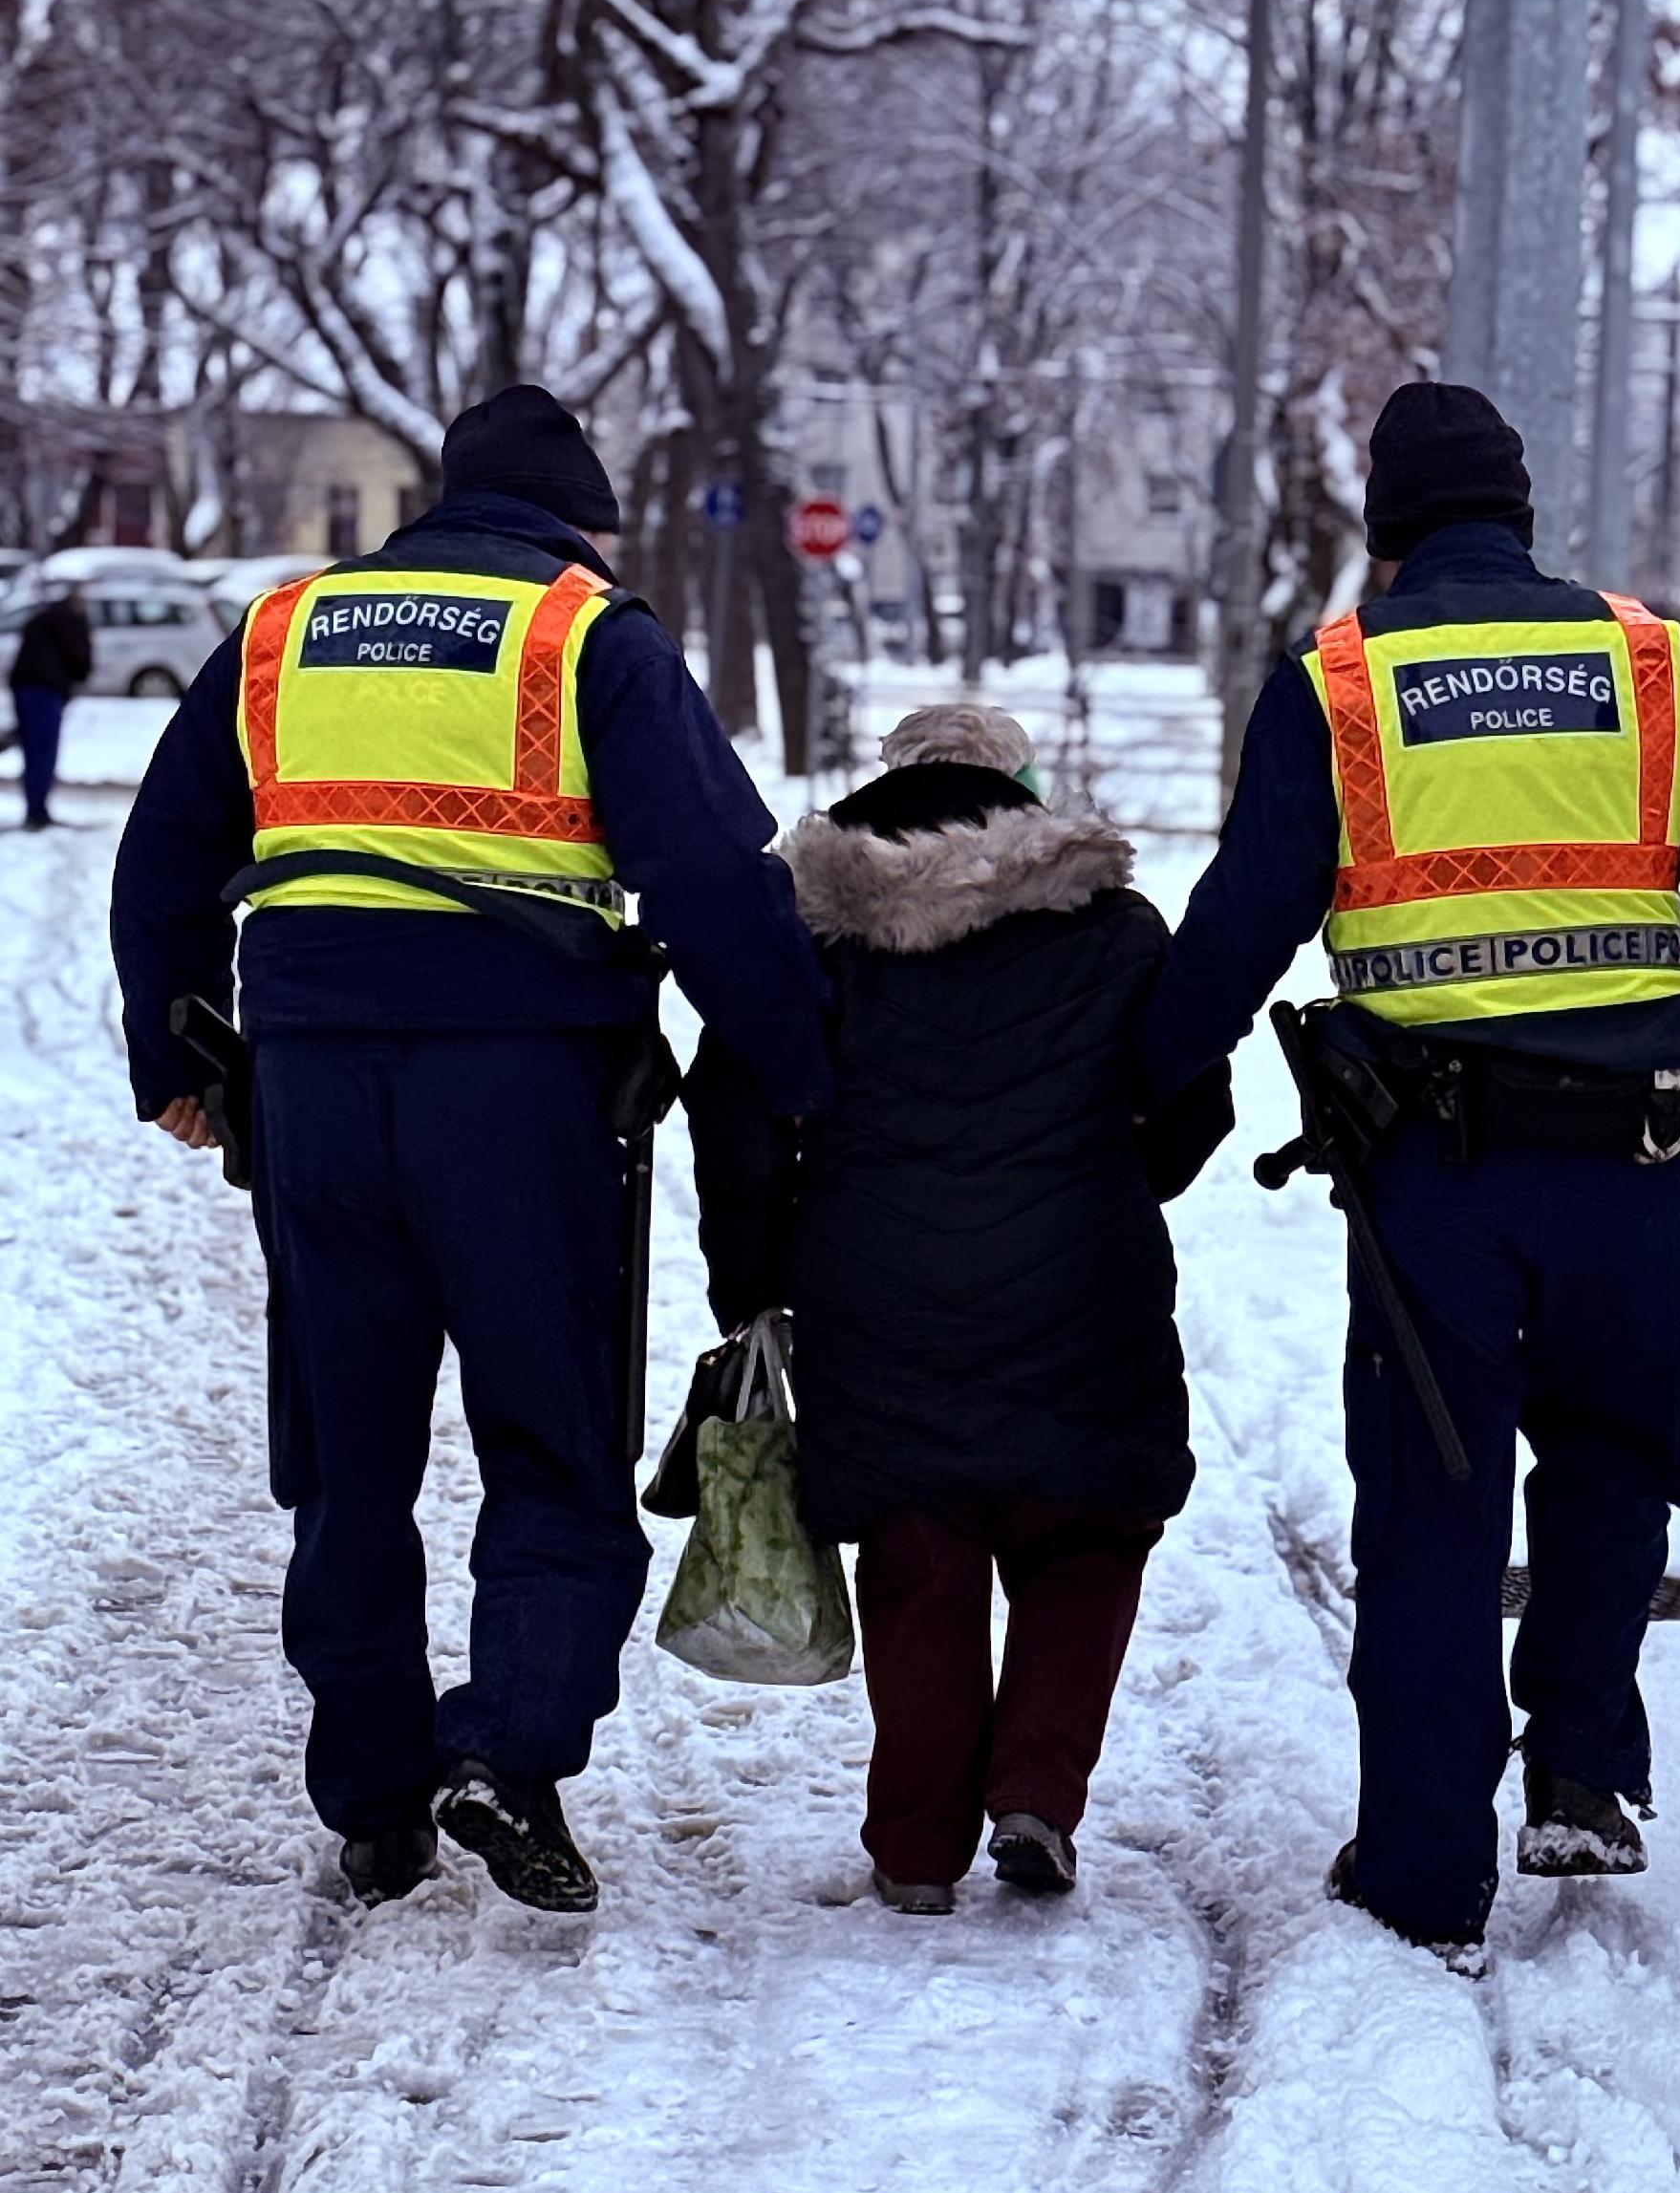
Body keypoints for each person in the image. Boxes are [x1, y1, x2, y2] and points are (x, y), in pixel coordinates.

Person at [1146, 381, 1680, 1964]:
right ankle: (1588, 1772)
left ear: (1385, 536)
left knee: (1431, 1506)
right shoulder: (1652, 669)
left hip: (1431, 1182)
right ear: (1524, 521)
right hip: (1628, 1170)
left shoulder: (1342, 683)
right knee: (1612, 1456)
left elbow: (1235, 933)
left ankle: (1421, 1865)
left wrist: (1113, 1107)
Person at [110, 385, 830, 1915]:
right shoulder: (589, 634)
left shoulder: (282, 631)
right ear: (582, 521)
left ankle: (374, 1794)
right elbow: (714, 879)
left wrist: (176, 1054)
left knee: (348, 1445)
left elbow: (164, 855)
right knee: (550, 1429)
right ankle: (508, 1748)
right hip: (523, 1093)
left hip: (311, 1088)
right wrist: (800, 1064)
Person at [686, 704, 1231, 1913]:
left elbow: (728, 1101)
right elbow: (1193, 1099)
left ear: (895, 778)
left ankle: (917, 1850)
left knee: (917, 1548)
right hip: (1082, 1274)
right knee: (1084, 1532)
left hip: (873, 1283)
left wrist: (753, 1276)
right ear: (1015, 786)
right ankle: (1035, 1789)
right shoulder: (1111, 921)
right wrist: (1113, 1175)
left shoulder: (810, 931)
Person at [10, 584, 93, 829]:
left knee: (33, 748)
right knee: (42, 751)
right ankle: (37, 811)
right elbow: (79, 657)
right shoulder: (71, 622)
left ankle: (36, 807)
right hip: (46, 689)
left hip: (26, 686)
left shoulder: (42, 620)